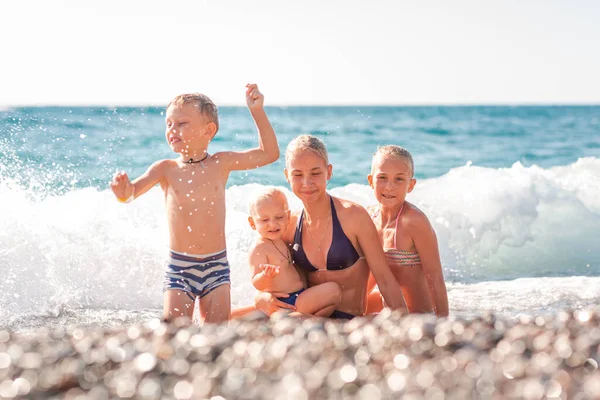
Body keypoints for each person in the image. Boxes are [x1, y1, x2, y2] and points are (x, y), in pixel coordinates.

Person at [110, 84, 279, 323]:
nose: (172, 129)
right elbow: (131, 194)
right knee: (173, 328)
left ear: (208, 130)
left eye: (182, 123)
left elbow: (269, 154)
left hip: (216, 267)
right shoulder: (165, 169)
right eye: (169, 124)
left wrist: (257, 111)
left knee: (217, 332)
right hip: (180, 268)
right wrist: (122, 190)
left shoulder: (220, 163)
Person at [237, 134, 406, 319]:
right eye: (297, 174)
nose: (306, 183)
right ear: (287, 175)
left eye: (315, 173)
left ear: (329, 172)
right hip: (302, 315)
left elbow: (385, 280)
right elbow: (276, 275)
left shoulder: (353, 217)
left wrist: (402, 323)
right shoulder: (289, 225)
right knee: (225, 320)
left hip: (346, 321)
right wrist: (260, 297)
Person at [366, 145, 449, 316]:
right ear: (370, 181)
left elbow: (435, 278)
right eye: (382, 177)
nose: (389, 187)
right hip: (386, 308)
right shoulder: (369, 218)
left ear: (411, 185)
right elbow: (368, 275)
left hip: (416, 314)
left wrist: (443, 322)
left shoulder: (414, 221)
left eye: (399, 179)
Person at [247, 187, 341, 317]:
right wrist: (265, 276)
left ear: (288, 217)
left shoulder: (281, 241)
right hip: (286, 301)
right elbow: (256, 282)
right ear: (252, 223)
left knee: (334, 294)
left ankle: (304, 319)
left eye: (279, 217)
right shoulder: (259, 248)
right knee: (333, 290)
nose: (273, 224)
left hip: (298, 296)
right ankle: (293, 318)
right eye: (265, 220)